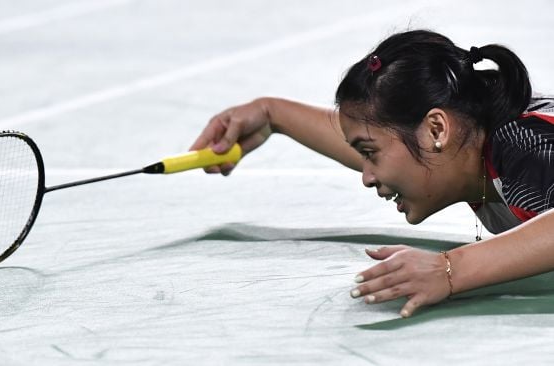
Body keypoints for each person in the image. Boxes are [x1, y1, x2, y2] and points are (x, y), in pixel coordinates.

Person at [189, 29, 554, 318]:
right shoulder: (473, 141)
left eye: (369, 153)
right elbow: (382, 141)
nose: (366, 176)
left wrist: (449, 270)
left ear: (436, 131)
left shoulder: (525, 147)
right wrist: (271, 114)